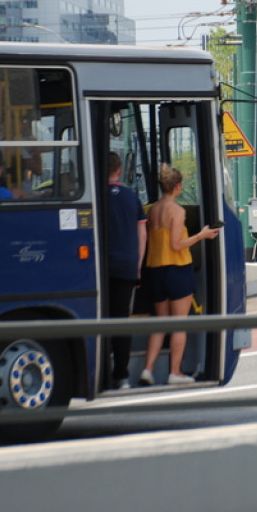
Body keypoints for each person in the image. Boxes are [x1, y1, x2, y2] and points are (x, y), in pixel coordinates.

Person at [140, 164, 220, 386]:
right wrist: (201, 235)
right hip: (177, 269)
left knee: (160, 323)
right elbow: (176, 244)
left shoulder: (153, 210)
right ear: (177, 186)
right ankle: (175, 372)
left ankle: (147, 370)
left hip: (155, 270)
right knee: (179, 324)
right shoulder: (177, 211)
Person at [106, 152, 147, 390]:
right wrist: (138, 267)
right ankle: (121, 375)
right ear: (120, 171)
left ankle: (100, 370)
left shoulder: (97, 196)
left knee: (99, 320)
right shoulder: (132, 198)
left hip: (100, 270)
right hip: (126, 267)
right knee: (121, 320)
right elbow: (142, 235)